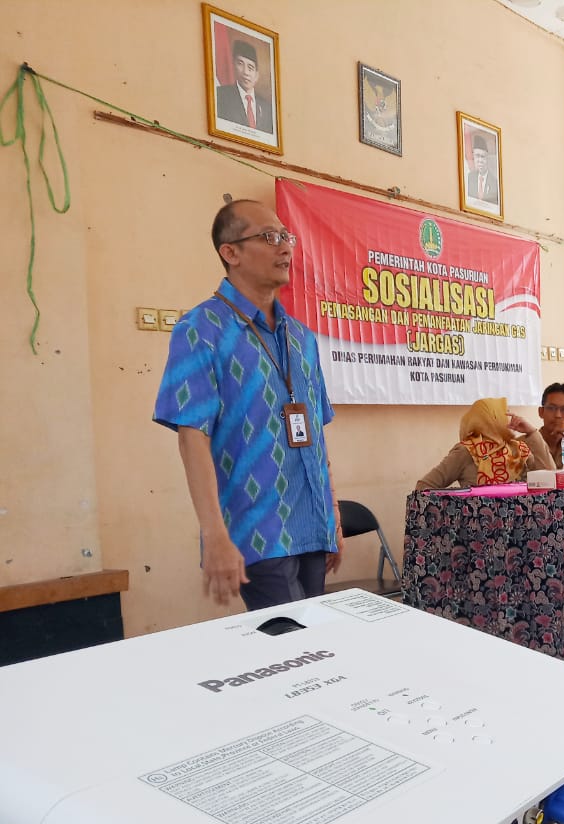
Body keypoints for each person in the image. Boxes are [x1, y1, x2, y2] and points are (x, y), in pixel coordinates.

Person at [154, 199, 340, 610]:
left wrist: (333, 517)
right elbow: (191, 437)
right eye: (269, 237)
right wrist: (214, 534)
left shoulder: (301, 338)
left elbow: (316, 438)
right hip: (257, 531)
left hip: (313, 526)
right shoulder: (199, 329)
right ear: (230, 252)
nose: (285, 248)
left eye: (286, 237)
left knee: (318, 655)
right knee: (296, 646)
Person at [416, 398, 554, 490]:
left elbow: (551, 478)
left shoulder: (517, 448)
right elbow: (424, 487)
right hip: (479, 531)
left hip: (520, 528)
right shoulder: (466, 451)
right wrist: (459, 501)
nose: (506, 418)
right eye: (502, 414)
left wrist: (532, 432)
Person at [215, 40, 274, 135]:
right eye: (240, 64)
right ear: (233, 66)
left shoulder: (267, 108)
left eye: (250, 68)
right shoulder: (220, 95)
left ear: (256, 75)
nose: (245, 72)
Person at [466, 135, 498, 203]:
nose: (480, 160)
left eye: (483, 156)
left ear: (487, 158)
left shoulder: (495, 182)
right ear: (473, 157)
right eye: (477, 156)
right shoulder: (469, 177)